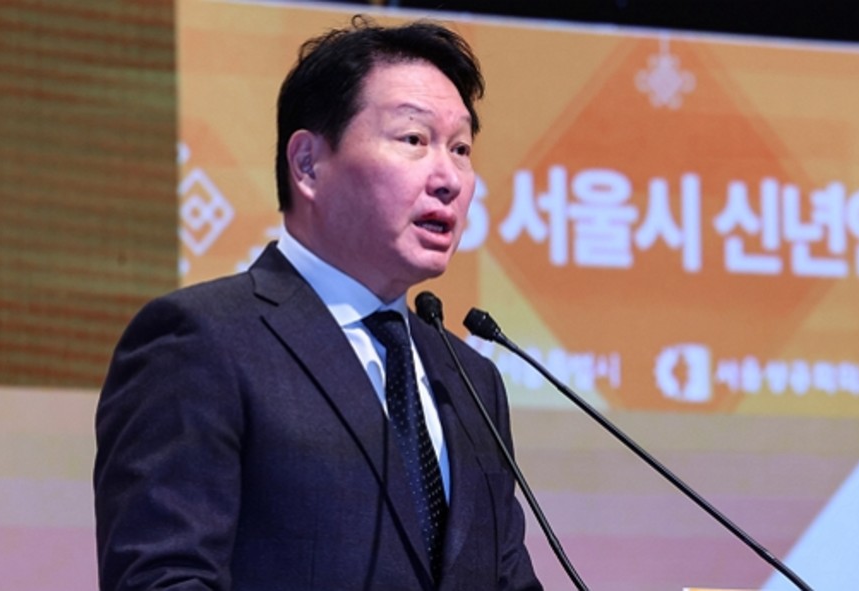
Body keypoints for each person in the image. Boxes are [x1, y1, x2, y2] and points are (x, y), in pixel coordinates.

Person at [93, 17, 542, 591]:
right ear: (307, 163)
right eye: (414, 139)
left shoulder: (471, 381)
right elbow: (163, 578)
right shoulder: (202, 342)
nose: (449, 178)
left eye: (460, 149)